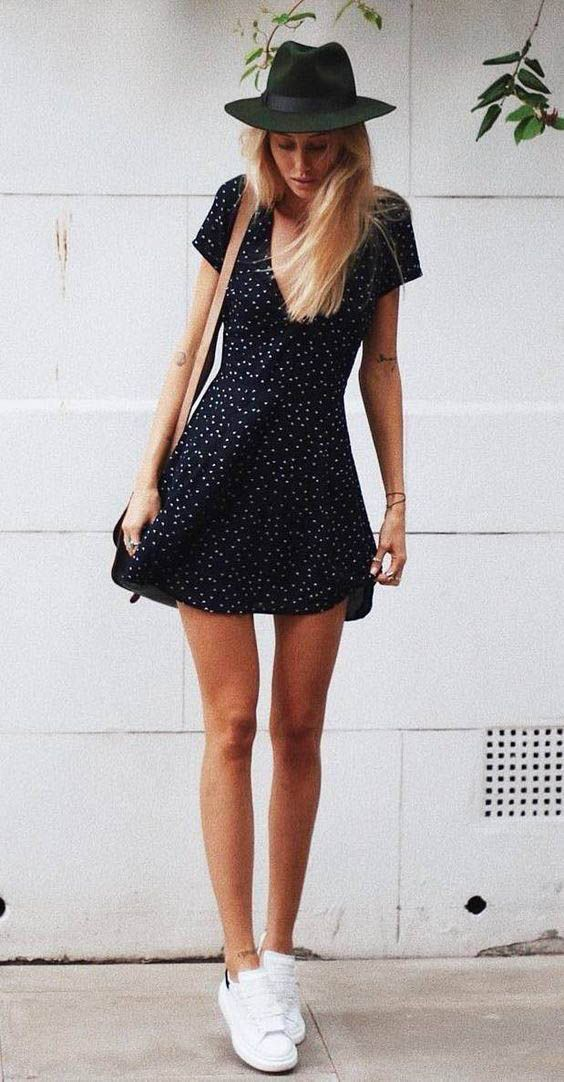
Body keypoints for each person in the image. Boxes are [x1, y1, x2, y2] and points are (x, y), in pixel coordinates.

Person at [117, 40, 423, 1073]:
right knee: (234, 725)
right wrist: (147, 478)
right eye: (284, 145)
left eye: (317, 145)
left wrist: (397, 502)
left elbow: (381, 367)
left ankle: (280, 960)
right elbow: (187, 348)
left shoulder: (380, 227)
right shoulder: (238, 208)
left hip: (318, 493)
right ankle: (239, 964)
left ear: (350, 139)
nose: (299, 162)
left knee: (299, 728)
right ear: (264, 141)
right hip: (214, 481)